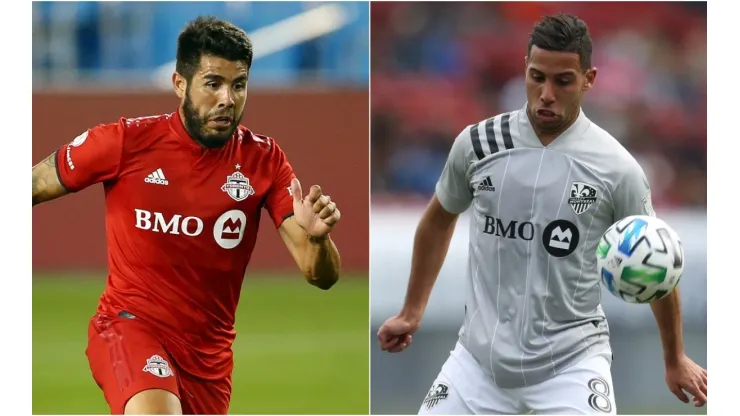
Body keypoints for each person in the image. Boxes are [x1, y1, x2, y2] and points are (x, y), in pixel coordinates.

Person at [376, 13, 707, 415]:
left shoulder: (616, 168)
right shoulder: (479, 143)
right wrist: (412, 310)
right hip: (477, 366)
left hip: (570, 368)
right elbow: (438, 218)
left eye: (563, 81)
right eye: (537, 77)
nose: (546, 93)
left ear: (589, 79)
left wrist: (674, 358)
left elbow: (658, 265)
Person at [32, 16, 342, 415]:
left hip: (207, 363)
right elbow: (35, 183)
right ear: (180, 84)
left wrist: (318, 239)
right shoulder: (127, 142)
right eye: (213, 83)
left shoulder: (265, 161)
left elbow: (320, 274)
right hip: (128, 327)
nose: (227, 98)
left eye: (239, 85)